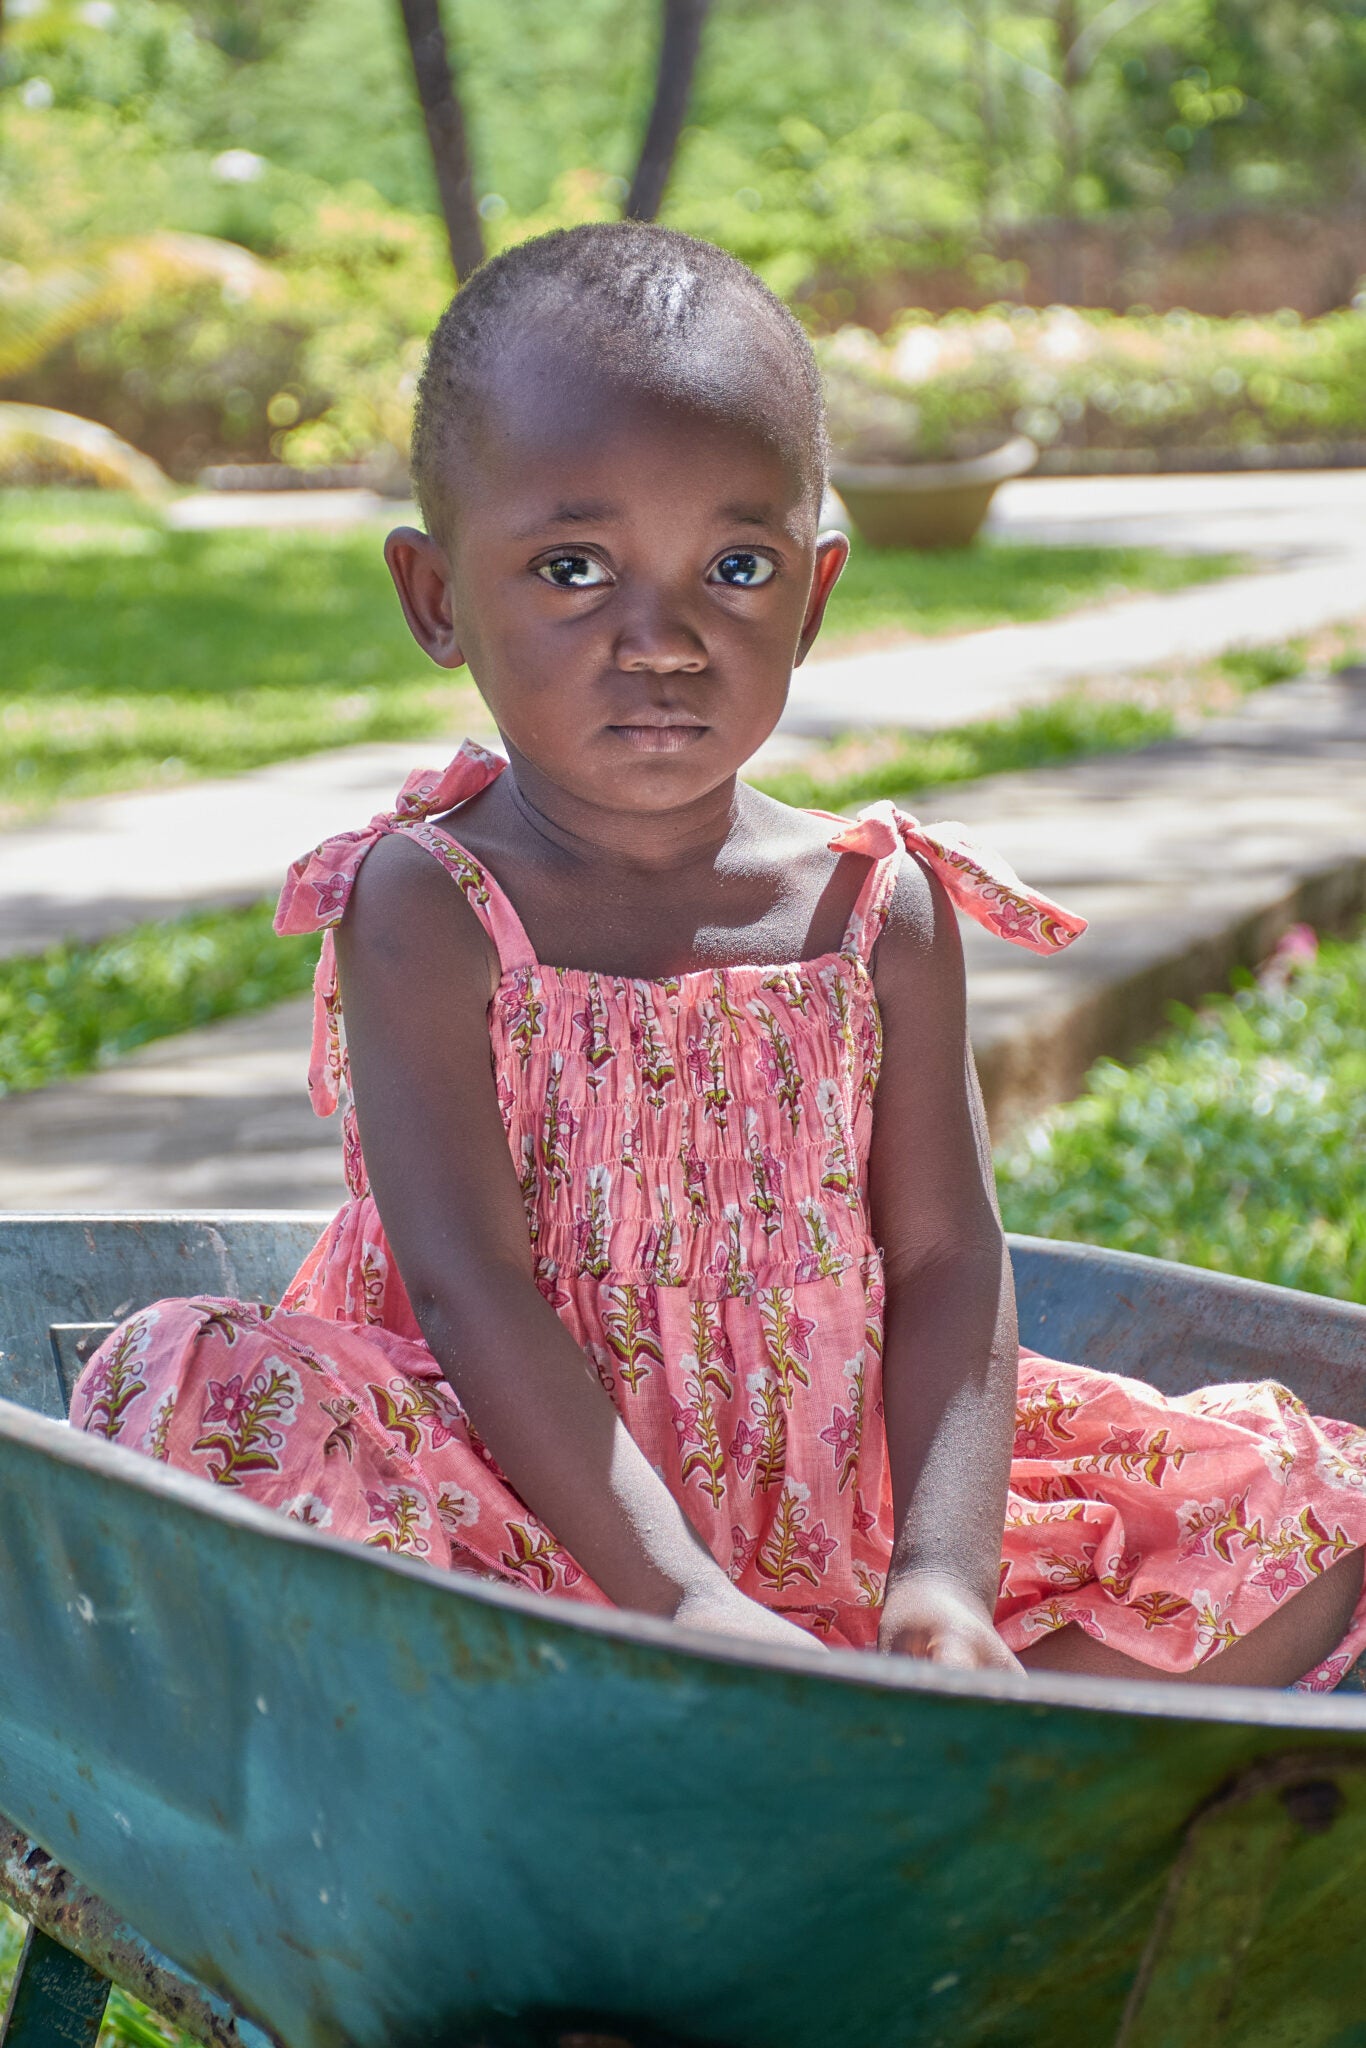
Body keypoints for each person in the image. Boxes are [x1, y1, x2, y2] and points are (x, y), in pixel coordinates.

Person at [73, 222, 1366, 1690]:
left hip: (842, 1502)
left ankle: (946, 1764)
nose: (663, 638)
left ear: (810, 598)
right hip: (513, 1514)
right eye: (572, 567)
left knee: (1309, 1502)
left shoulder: (874, 910)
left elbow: (946, 1255)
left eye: (734, 565)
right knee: (197, 1386)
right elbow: (465, 1288)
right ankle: (622, 1736)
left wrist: (941, 1576)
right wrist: (681, 1599)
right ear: (438, 599)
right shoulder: (426, 901)